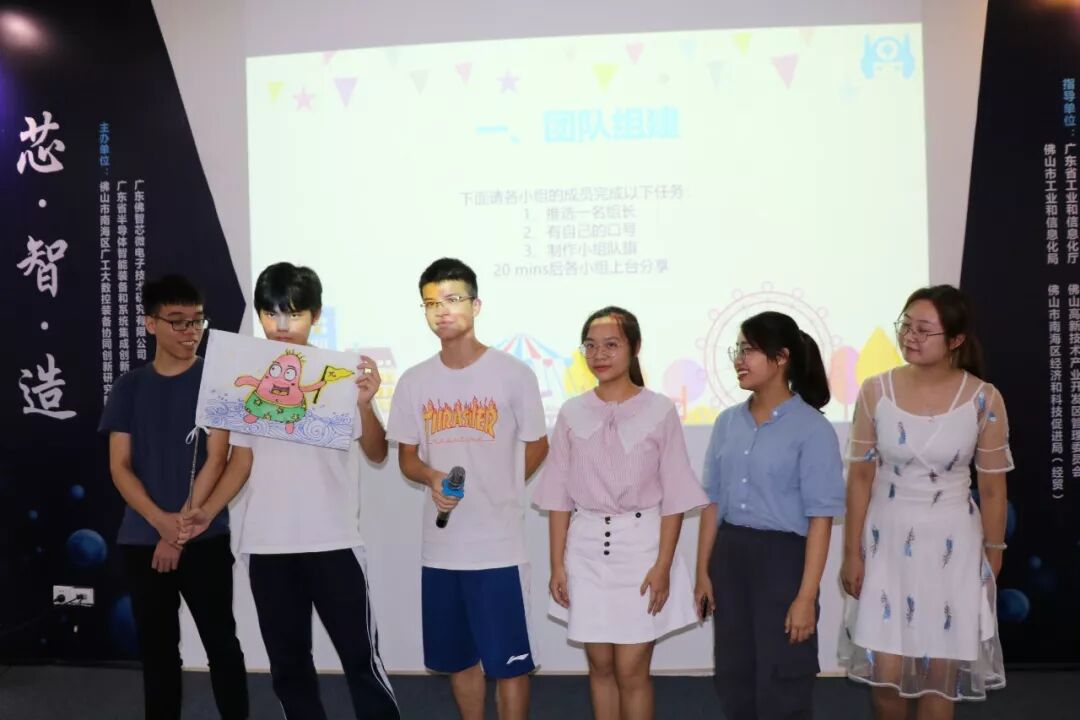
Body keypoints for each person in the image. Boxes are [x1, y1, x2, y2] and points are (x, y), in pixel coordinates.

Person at [180, 262, 398, 720]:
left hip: (334, 541)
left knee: (361, 659)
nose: (281, 326)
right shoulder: (247, 375)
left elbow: (378, 453)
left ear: (316, 316)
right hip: (267, 546)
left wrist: (365, 404)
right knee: (289, 667)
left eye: (294, 314)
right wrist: (206, 510)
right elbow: (241, 462)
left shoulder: (340, 377)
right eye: (270, 313)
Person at [386, 257, 549, 720]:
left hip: (498, 547)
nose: (442, 311)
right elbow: (407, 458)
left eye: (453, 299)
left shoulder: (513, 373)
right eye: (431, 303)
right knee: (459, 660)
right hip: (441, 549)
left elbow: (539, 444)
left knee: (510, 665)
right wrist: (432, 477)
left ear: (476, 305)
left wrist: (504, 485)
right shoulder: (414, 381)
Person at [838, 285, 1011, 719]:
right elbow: (860, 477)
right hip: (886, 541)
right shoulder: (876, 390)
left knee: (939, 678)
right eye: (906, 325)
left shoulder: (984, 398)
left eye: (924, 329)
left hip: (952, 544)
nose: (910, 336)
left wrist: (994, 553)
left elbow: (993, 488)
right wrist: (852, 552)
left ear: (955, 340)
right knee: (886, 677)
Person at [533, 306, 707, 720]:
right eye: (590, 346)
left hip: (641, 550)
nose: (599, 354)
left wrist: (663, 565)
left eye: (611, 345)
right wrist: (557, 565)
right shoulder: (571, 412)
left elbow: (675, 496)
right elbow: (558, 497)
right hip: (586, 549)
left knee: (631, 670)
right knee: (600, 667)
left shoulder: (659, 410)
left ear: (634, 348)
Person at [99, 274, 248, 720]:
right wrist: (159, 522)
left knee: (222, 645)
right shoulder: (129, 387)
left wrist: (178, 531)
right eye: (178, 321)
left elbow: (217, 458)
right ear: (151, 323)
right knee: (158, 652)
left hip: (203, 535)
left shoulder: (217, 381)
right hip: (142, 539)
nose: (190, 331)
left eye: (197, 321)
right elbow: (119, 466)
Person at [694, 311, 845, 720]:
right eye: (737, 350)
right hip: (730, 555)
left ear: (781, 358)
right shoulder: (727, 422)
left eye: (749, 350)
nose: (738, 360)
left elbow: (820, 519)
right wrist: (703, 572)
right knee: (734, 672)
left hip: (784, 561)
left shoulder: (812, 429)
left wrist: (806, 597)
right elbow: (711, 501)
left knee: (784, 676)